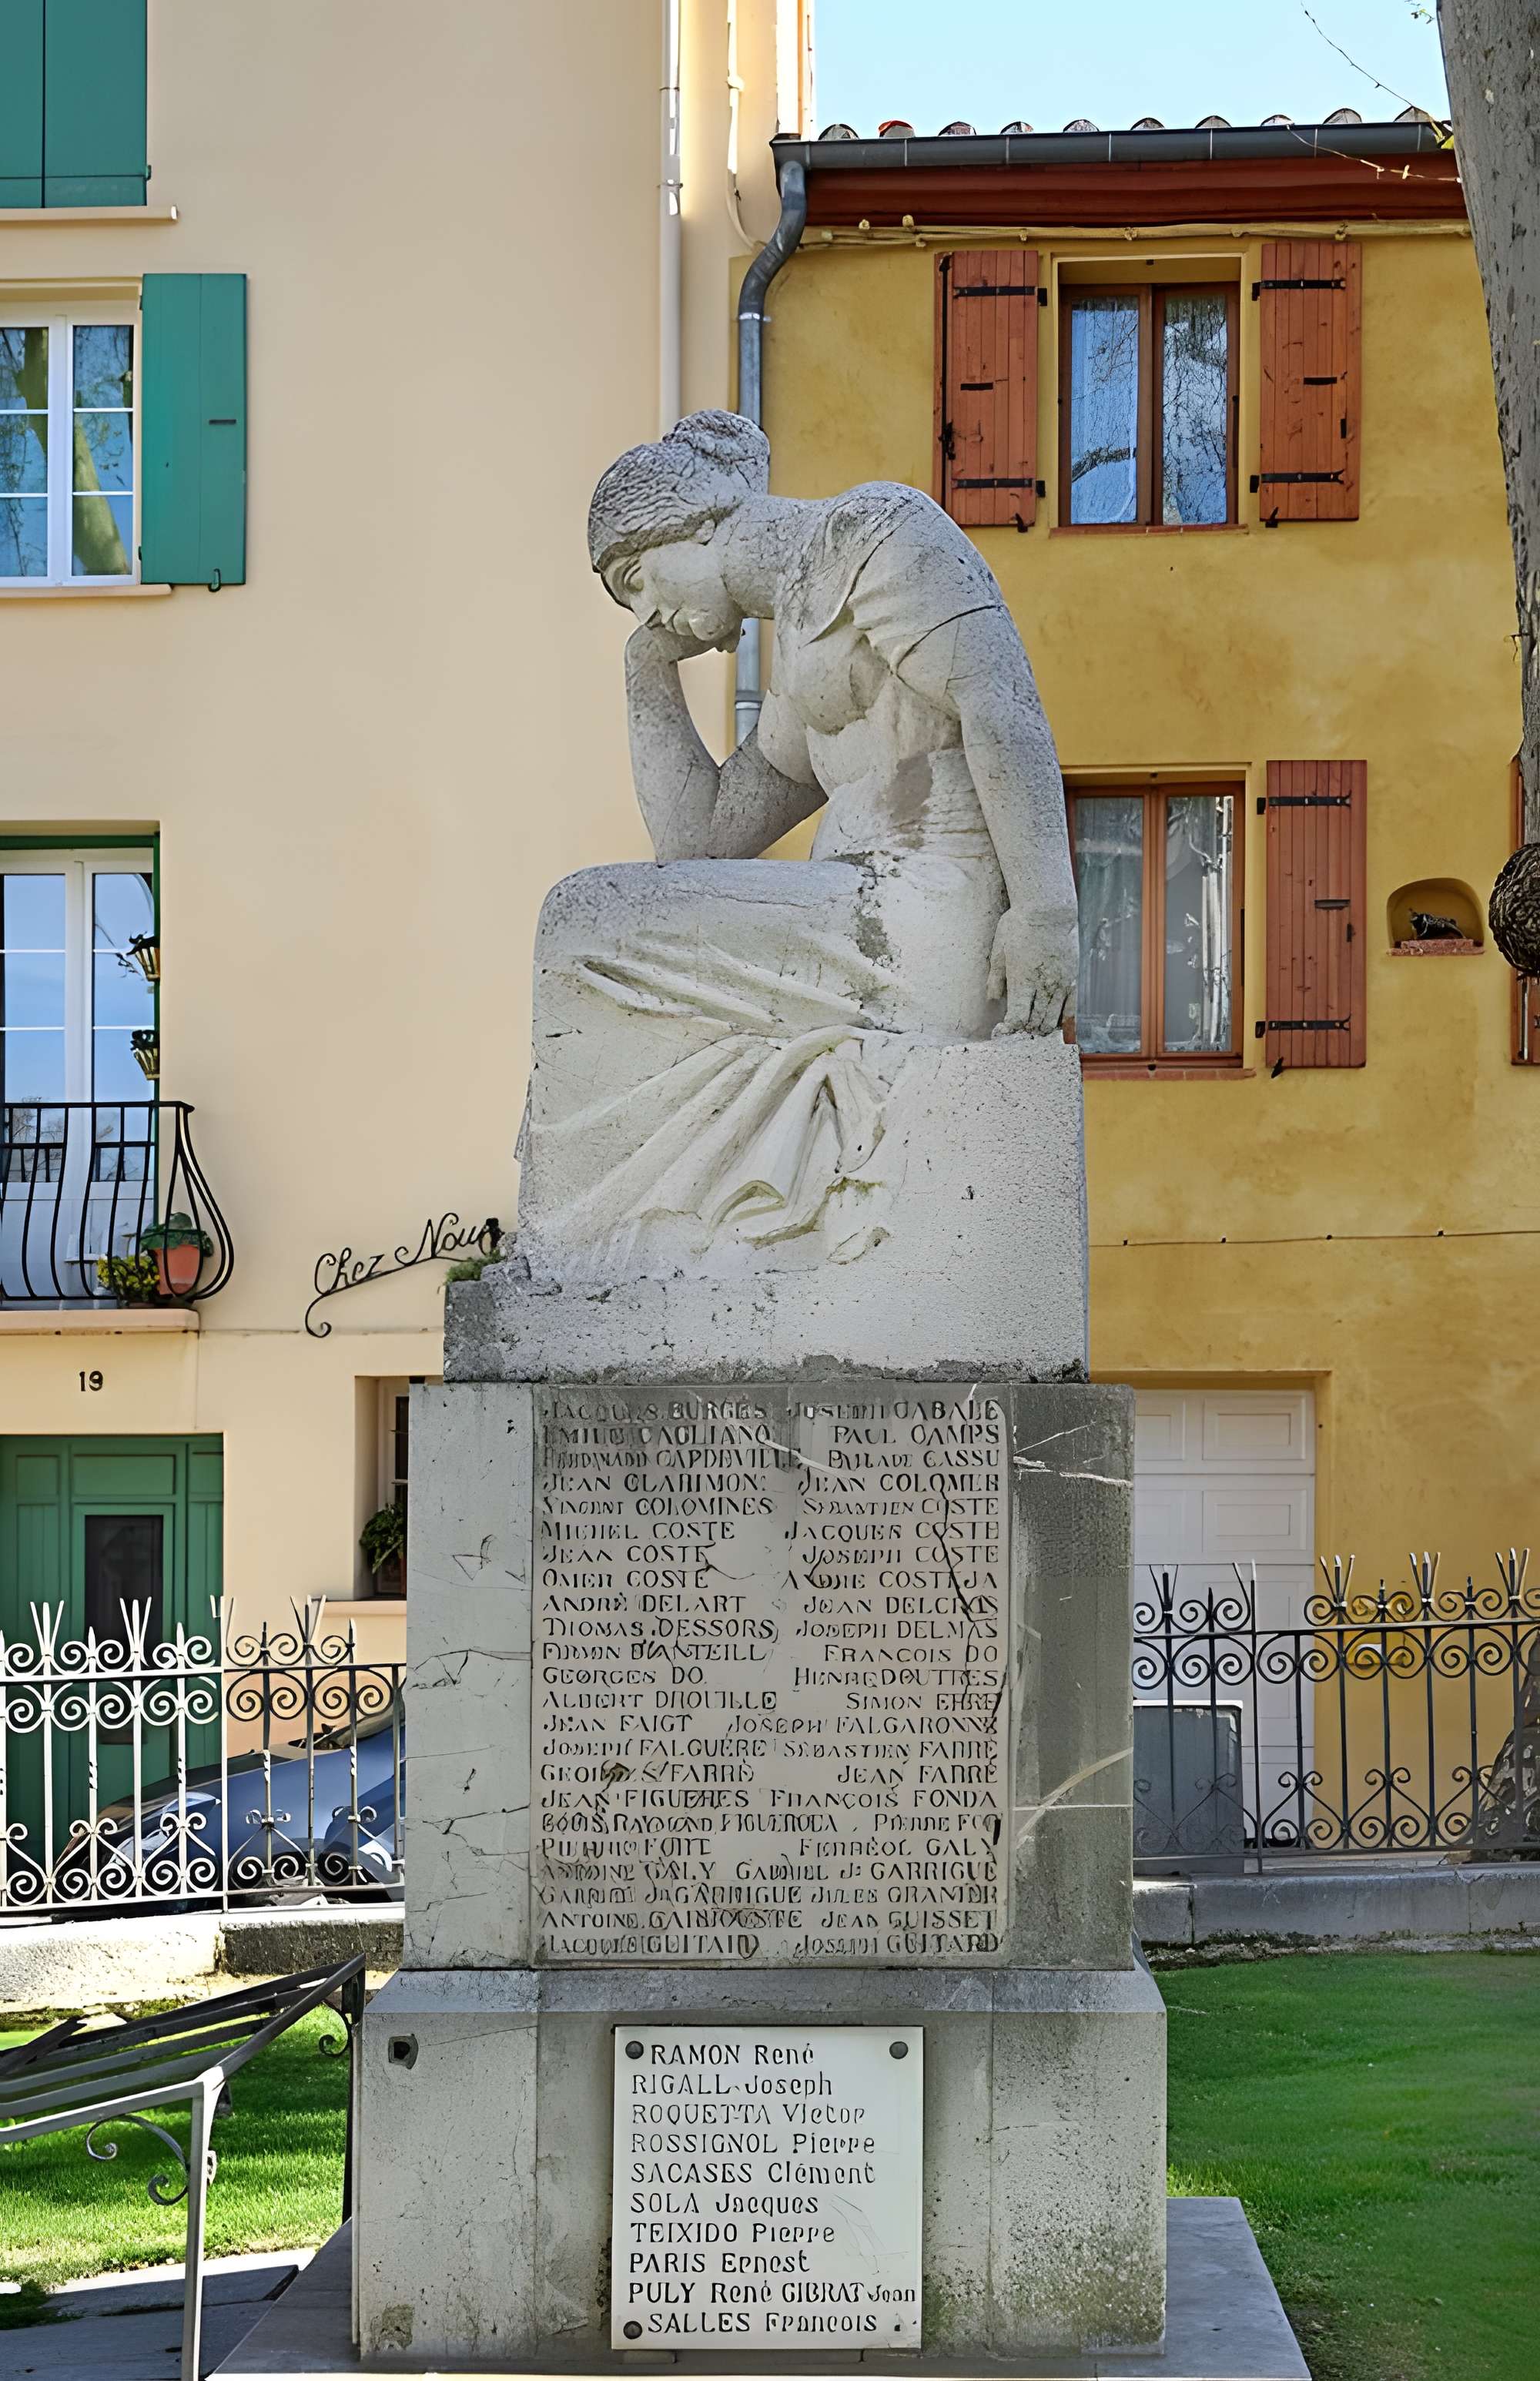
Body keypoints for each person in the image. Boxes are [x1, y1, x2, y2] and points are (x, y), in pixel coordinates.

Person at [520, 411, 1079, 1278]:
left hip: (926, 913)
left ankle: (581, 1247)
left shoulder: (877, 532)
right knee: (585, 927)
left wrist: (1044, 909)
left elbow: (996, 700)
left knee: (583, 919)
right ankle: (606, 1251)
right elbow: (696, 838)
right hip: (858, 913)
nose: (647, 610)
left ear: (695, 521)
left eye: (636, 579)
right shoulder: (798, 658)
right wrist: (644, 671)